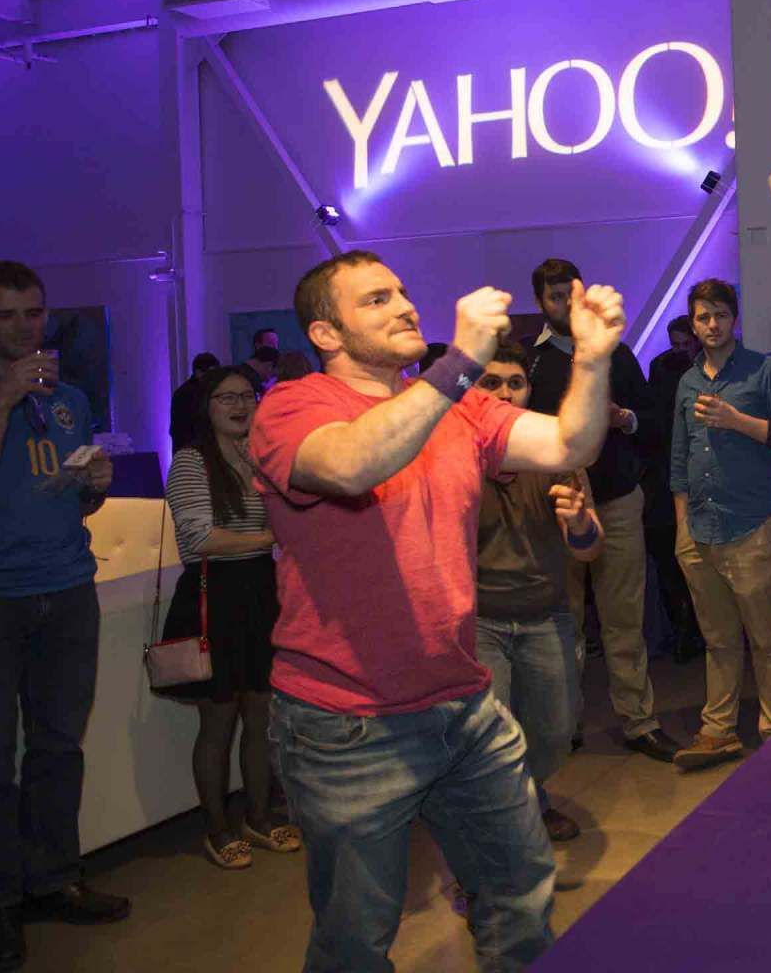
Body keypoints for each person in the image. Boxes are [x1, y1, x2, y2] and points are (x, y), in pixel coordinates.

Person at [248, 250, 622, 971]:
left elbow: (568, 442)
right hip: (346, 722)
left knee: (519, 896)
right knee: (355, 942)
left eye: (402, 292)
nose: (405, 306)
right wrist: (458, 364)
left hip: (462, 705)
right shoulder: (292, 407)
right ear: (325, 334)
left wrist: (592, 357)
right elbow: (351, 464)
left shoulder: (462, 405)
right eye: (376, 299)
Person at [0, 261, 125, 973]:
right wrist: (2, 399)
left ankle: (52, 879)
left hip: (67, 589)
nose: (25, 327)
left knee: (57, 747)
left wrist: (93, 486)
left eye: (35, 312)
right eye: (7, 315)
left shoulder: (69, 397)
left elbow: (65, 496)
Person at [526, 258, 680, 764]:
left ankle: (639, 720)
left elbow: (654, 422)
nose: (565, 306)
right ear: (539, 302)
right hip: (556, 505)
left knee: (624, 619)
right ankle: (564, 726)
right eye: (554, 297)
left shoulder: (616, 352)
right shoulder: (531, 363)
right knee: (563, 621)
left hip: (617, 498)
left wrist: (625, 418)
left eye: (571, 295)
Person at [669, 279, 771, 771]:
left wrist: (738, 421)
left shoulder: (766, 371)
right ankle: (718, 730)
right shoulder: (688, 381)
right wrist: (681, 528)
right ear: (693, 324)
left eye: (720, 315)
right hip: (698, 530)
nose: (712, 325)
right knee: (718, 640)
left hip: (752, 526)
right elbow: (679, 457)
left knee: (766, 639)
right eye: (703, 317)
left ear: (735, 319)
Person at [161, 367, 299, 871]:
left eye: (247, 396)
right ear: (206, 407)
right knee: (218, 721)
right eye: (226, 398)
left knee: (262, 717)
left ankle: (258, 818)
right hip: (214, 597)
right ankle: (217, 829)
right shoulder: (190, 461)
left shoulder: (259, 455)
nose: (240, 406)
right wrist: (273, 539)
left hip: (262, 593)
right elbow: (199, 539)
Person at [472, 340, 602, 844]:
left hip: (546, 614)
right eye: (491, 383)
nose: (505, 393)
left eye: (516, 383)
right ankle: (513, 821)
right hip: (480, 621)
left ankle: (530, 796)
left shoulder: (555, 449)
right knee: (492, 737)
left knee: (554, 734)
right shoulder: (456, 453)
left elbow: (589, 549)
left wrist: (580, 523)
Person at [645, 315, 703, 662]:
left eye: (684, 344)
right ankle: (685, 628)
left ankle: (690, 629)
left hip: (689, 470)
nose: (680, 350)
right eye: (676, 344)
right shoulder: (664, 367)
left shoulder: (687, 368)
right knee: (672, 560)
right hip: (669, 470)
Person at [169, 351, 221, 451]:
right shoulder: (187, 394)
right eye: (211, 373)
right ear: (198, 372)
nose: (214, 378)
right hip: (193, 448)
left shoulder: (183, 391)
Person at [236, 328, 281, 397]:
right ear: (258, 345)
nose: (275, 347)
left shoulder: (276, 366)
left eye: (276, 343)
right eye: (271, 343)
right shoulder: (244, 375)